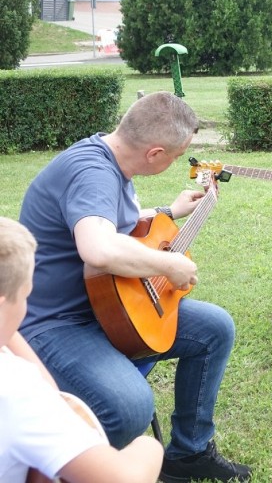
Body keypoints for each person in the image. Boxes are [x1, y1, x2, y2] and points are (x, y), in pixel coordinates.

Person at [17, 92, 251, 482]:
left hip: (107, 308)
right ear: (155, 153)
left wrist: (169, 211)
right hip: (56, 324)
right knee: (128, 407)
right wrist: (169, 264)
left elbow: (110, 220)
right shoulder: (92, 171)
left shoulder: (111, 161)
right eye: (176, 157)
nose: (175, 163)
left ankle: (189, 454)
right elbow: (98, 247)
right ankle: (57, 470)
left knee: (215, 328)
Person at [0, 216, 164, 483]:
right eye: (25, 296)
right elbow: (125, 478)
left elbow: (49, 394)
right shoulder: (16, 390)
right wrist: (149, 447)